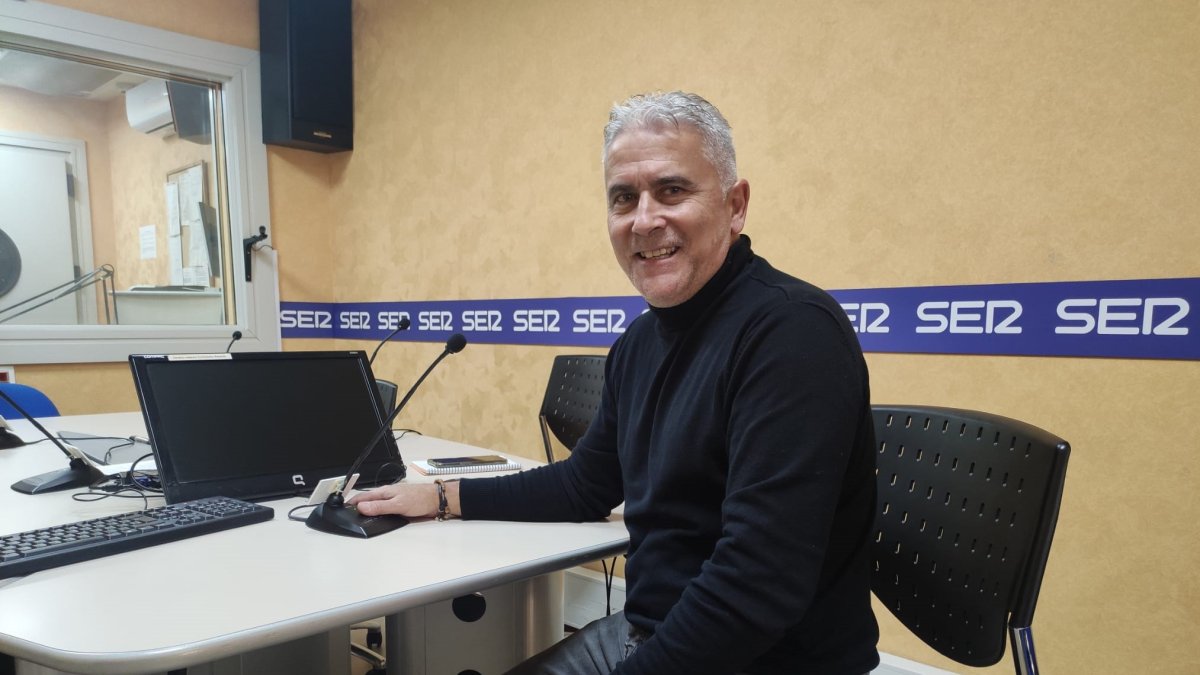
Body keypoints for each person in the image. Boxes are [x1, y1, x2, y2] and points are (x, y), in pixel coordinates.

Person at [349, 91, 879, 674]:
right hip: (648, 633)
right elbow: (584, 485)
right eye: (624, 198)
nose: (645, 220)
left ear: (735, 205)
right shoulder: (641, 342)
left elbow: (756, 587)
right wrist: (443, 498)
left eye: (672, 190)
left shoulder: (791, 334)